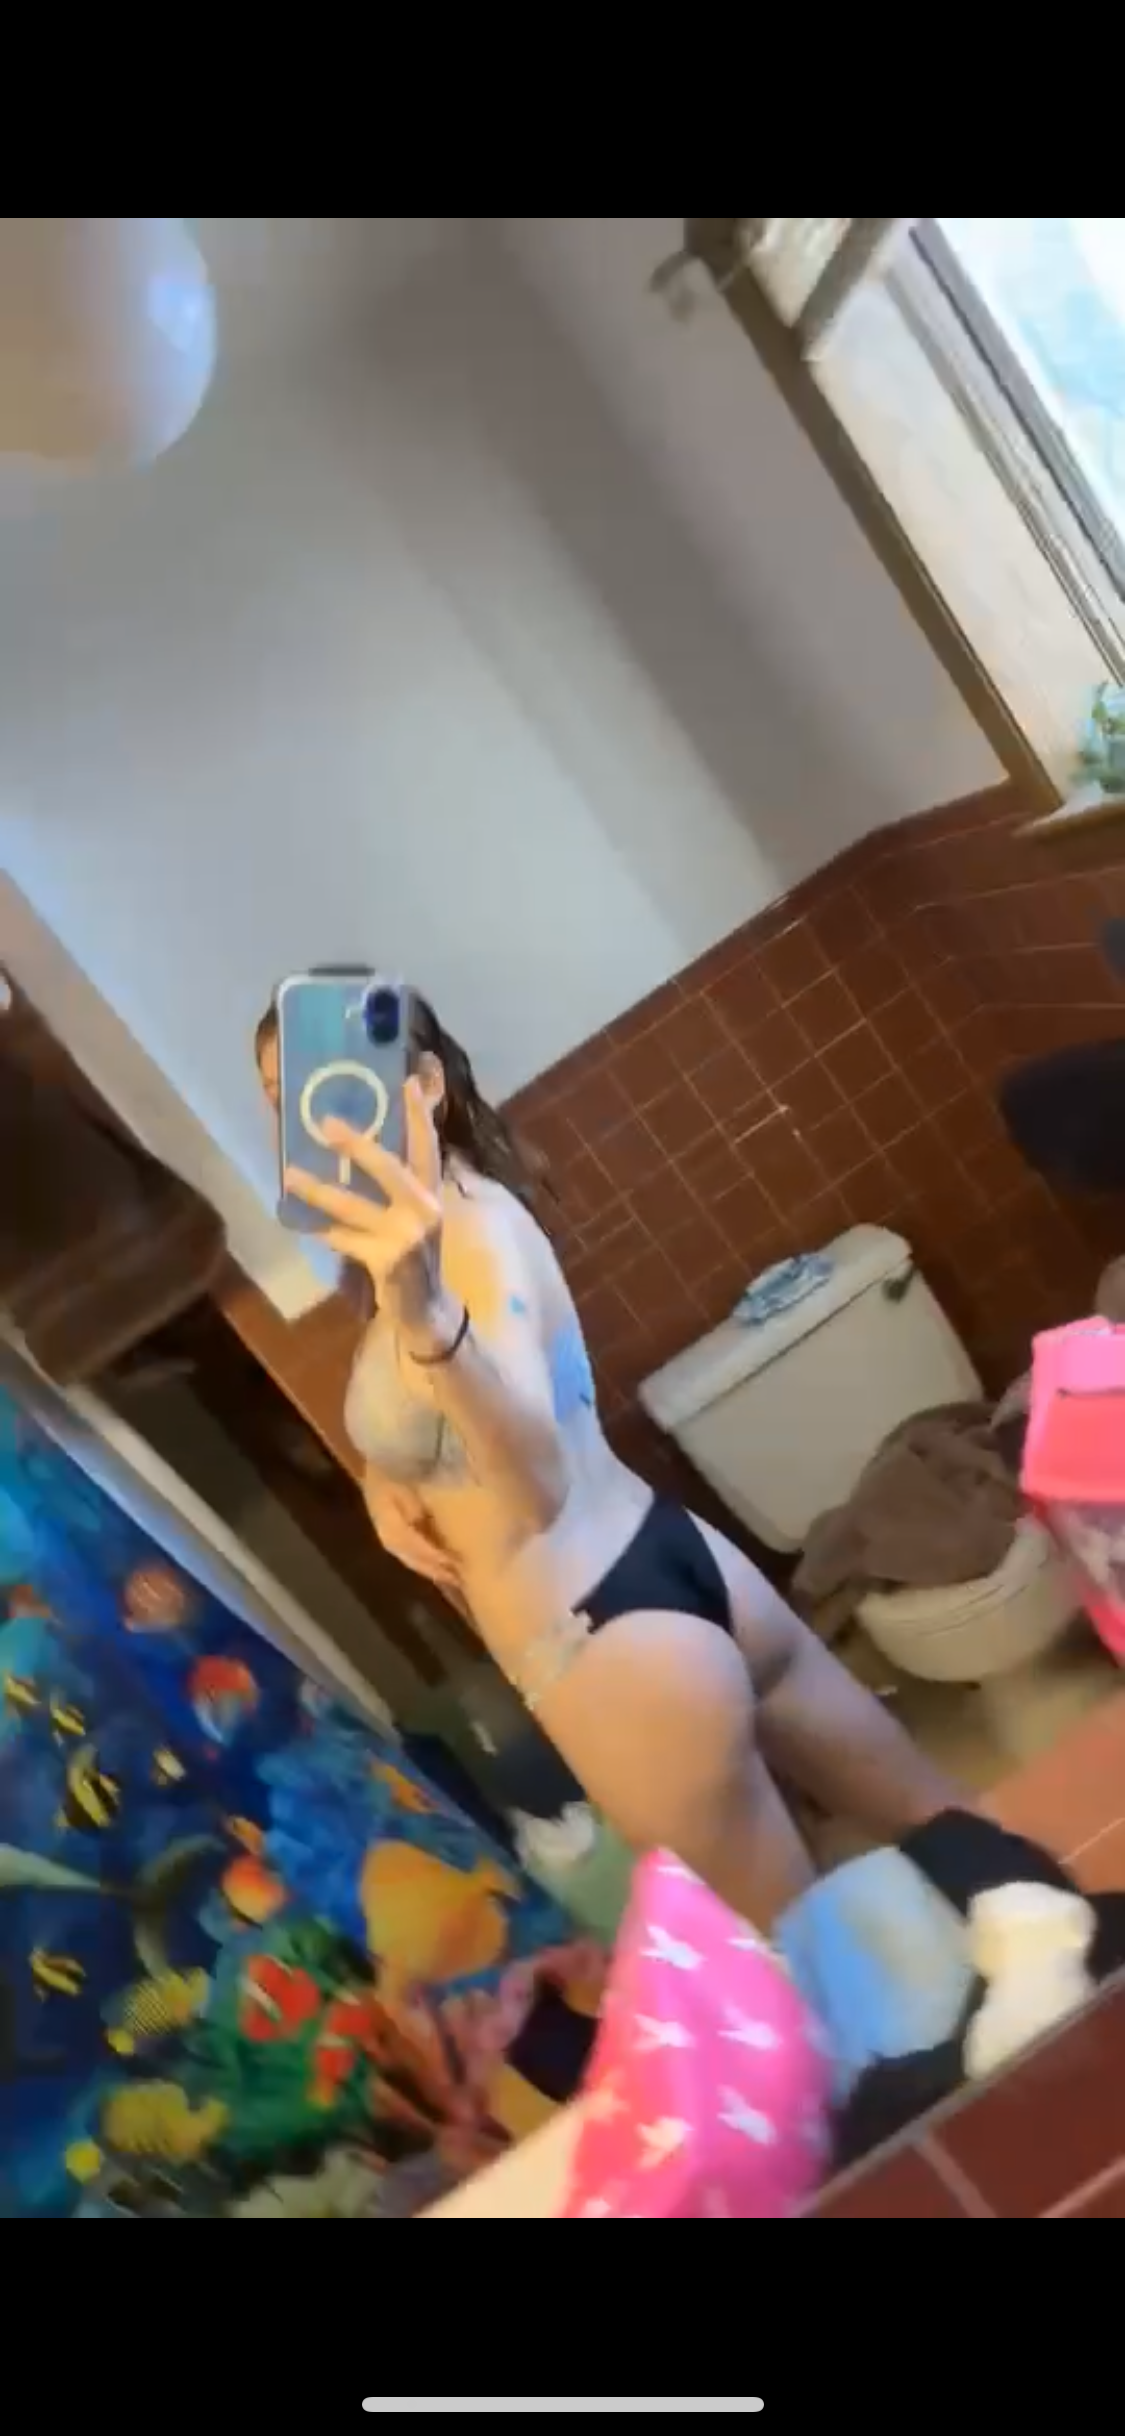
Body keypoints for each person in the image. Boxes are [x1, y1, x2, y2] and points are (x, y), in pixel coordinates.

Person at [256, 982, 962, 1932]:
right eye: (285, 1100)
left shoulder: (467, 1242)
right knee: (942, 1823)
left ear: (422, 1087)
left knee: (803, 1957)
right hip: (668, 1560)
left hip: (600, 1643)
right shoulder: (407, 1242)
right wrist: (388, 1477)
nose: (310, 1123)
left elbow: (536, 1487)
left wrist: (423, 1319)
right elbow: (435, 1413)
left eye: (340, 1086)